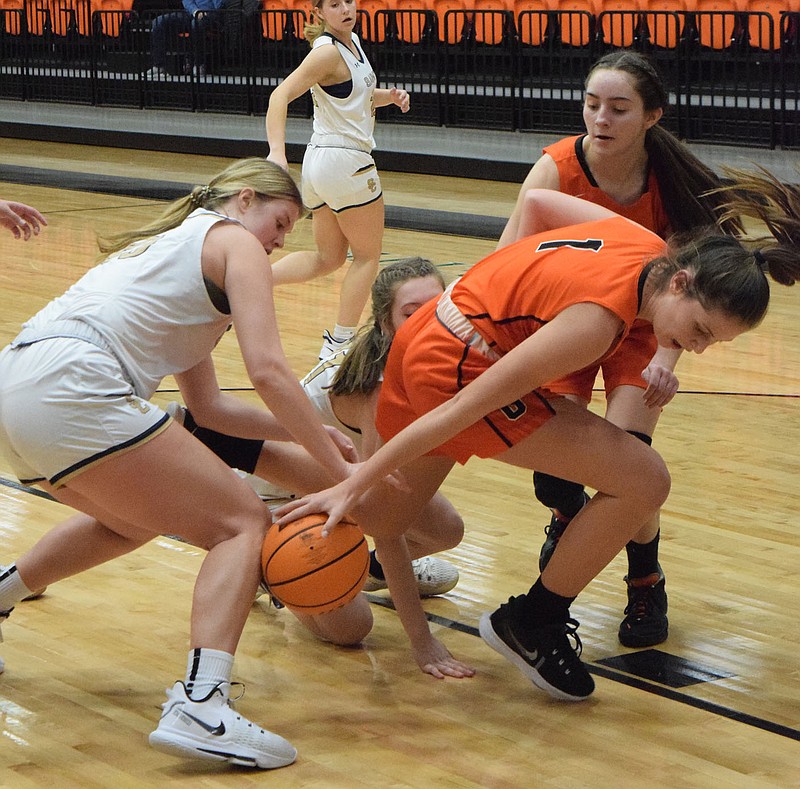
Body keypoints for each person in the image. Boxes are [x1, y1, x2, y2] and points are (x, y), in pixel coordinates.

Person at [273, 173, 800, 699]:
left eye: (714, 343)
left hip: (434, 329)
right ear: (681, 282)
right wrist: (360, 476)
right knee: (644, 480)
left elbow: (539, 202)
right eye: (702, 332)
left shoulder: (646, 247)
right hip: (457, 367)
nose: (699, 348)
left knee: (386, 516)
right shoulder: (593, 324)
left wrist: (493, 282)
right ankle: (534, 621)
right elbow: (462, 408)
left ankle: (262, 502)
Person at [0, 158, 360, 769]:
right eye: (280, 222)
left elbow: (212, 409)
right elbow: (270, 371)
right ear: (245, 200)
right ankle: (201, 702)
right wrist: (341, 470)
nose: (278, 242)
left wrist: (314, 430)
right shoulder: (233, 243)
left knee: (132, 520)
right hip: (73, 384)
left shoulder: (176, 248)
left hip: (18, 390)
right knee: (242, 522)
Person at [498, 49, 744, 650]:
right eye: (591, 104)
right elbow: (502, 267)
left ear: (651, 116)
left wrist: (666, 358)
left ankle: (646, 581)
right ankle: (564, 514)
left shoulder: (670, 187)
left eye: (618, 108)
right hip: (568, 324)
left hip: (642, 331)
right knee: (558, 470)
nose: (600, 118)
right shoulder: (555, 169)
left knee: (632, 463)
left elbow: (689, 297)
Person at [169, 258, 463, 646]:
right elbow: (384, 524)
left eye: (436, 307)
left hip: (341, 475)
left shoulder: (421, 356)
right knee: (353, 630)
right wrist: (423, 643)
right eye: (412, 313)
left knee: (446, 529)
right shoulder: (378, 390)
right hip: (284, 491)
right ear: (385, 323)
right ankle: (269, 563)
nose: (428, 320)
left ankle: (363, 569)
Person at [265, 0, 411, 359]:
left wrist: (387, 98)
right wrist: (276, 152)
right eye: (334, 4)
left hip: (320, 164)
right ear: (319, 12)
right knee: (367, 258)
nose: (345, 8)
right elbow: (279, 95)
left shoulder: (353, 42)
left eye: (348, 0)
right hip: (346, 162)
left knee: (328, 258)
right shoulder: (326, 54)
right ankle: (340, 345)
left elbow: (356, 97)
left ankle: (251, 282)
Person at [148, 0, 224, 78]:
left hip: (210, 14)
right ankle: (159, 66)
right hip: (191, 13)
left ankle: (199, 64)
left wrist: (204, 12)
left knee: (195, 24)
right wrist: (195, 11)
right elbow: (187, 1)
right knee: (158, 22)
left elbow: (219, 5)